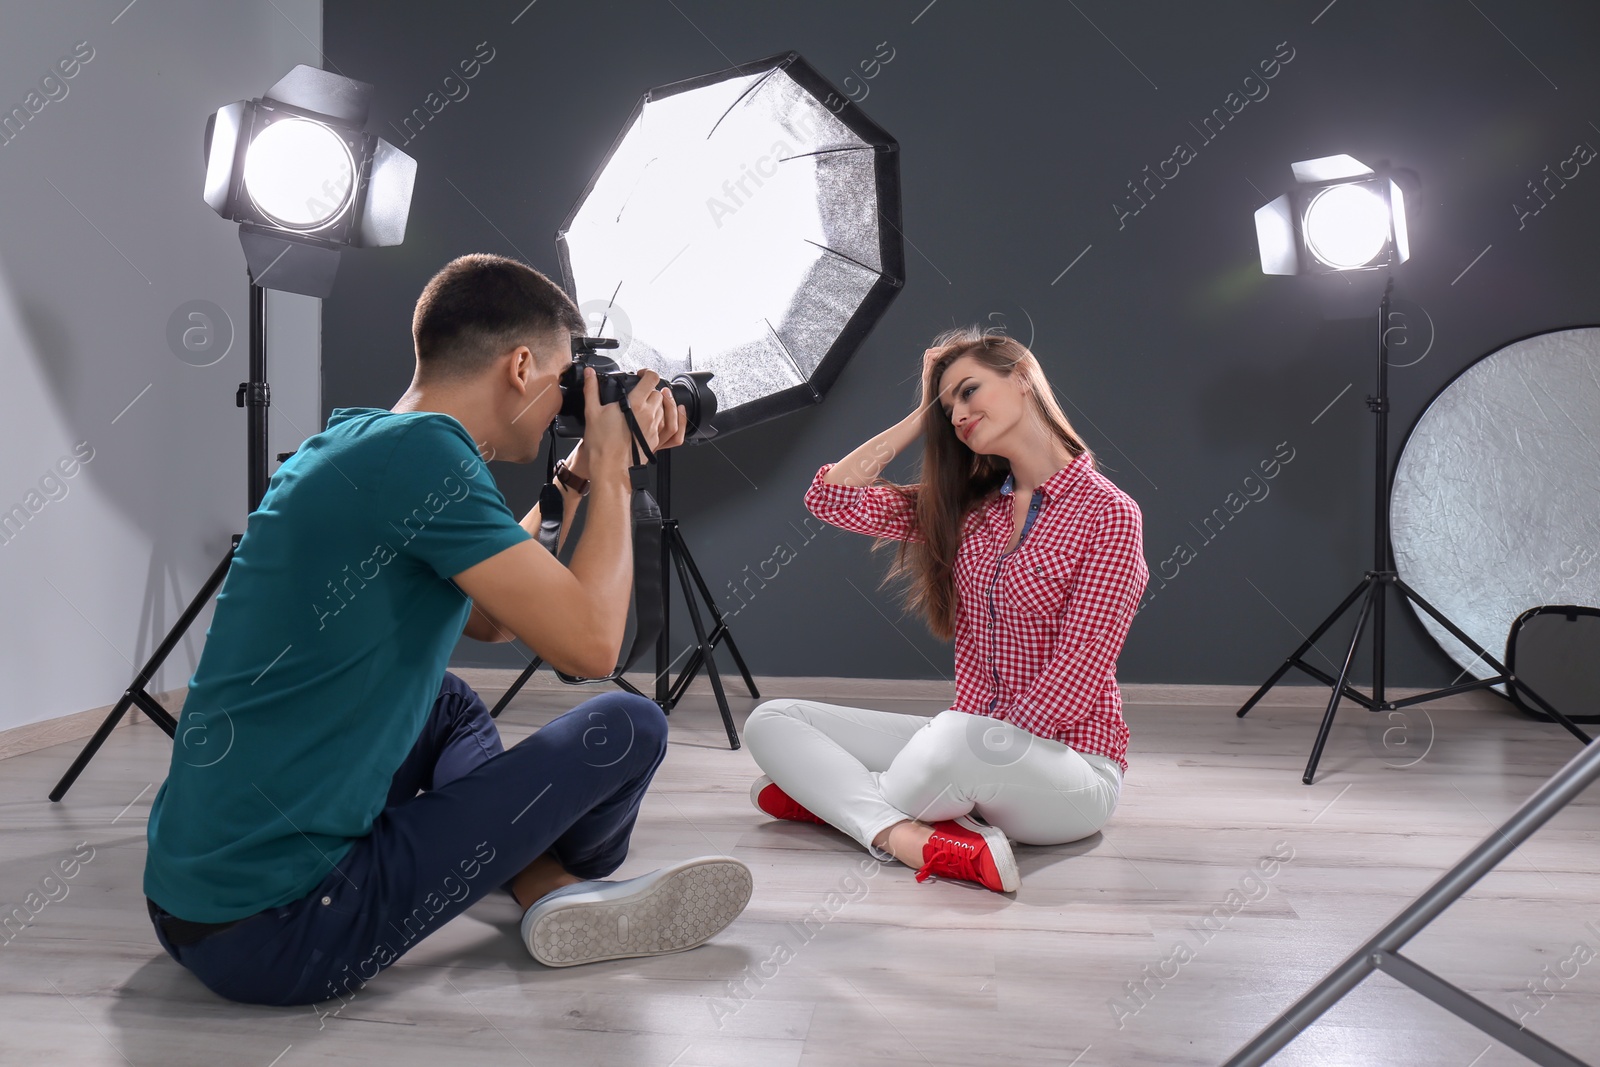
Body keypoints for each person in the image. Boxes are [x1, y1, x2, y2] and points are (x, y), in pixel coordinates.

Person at [143, 254, 752, 1007]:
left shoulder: (362, 441)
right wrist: (618, 467)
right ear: (522, 365)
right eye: (566, 379)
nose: (568, 400)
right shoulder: (429, 459)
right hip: (285, 931)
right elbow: (593, 647)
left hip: (190, 906)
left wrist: (578, 477)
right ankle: (549, 879)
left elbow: (497, 618)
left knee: (449, 703)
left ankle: (535, 878)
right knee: (629, 724)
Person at [743, 327, 1148, 893]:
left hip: (1069, 770)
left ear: (1023, 379)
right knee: (773, 720)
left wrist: (973, 742)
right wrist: (922, 414)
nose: (957, 413)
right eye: (946, 403)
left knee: (956, 738)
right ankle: (905, 835)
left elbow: (1079, 670)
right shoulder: (968, 510)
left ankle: (840, 799)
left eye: (968, 390)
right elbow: (830, 498)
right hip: (960, 743)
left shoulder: (1109, 513)